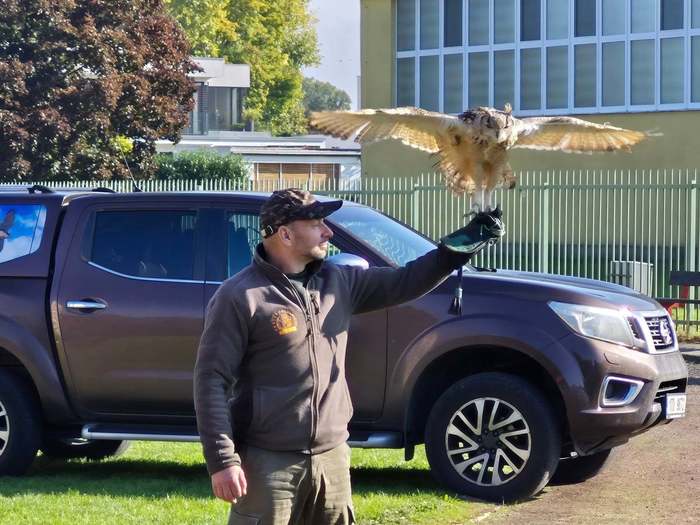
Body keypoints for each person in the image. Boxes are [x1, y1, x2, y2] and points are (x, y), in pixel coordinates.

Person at [193, 189, 503, 525]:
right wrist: (223, 460)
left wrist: (463, 243)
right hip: (269, 463)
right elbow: (211, 380)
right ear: (285, 234)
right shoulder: (241, 296)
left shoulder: (339, 281)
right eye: (316, 223)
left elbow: (407, 280)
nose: (328, 231)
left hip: (332, 458)